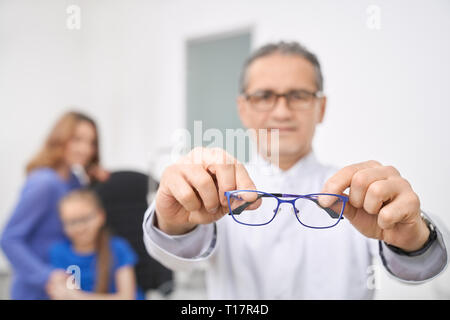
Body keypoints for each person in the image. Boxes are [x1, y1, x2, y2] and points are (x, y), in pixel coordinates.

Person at [142, 41, 449, 299]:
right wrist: (170, 222)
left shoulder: (362, 193)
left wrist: (416, 240)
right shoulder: (215, 187)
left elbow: (425, 269)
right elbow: (176, 258)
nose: (281, 111)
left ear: (322, 107)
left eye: (298, 96)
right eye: (264, 96)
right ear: (243, 108)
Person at [0, 111, 109, 299]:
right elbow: (10, 238)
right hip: (36, 290)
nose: (85, 149)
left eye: (91, 142)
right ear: (60, 139)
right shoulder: (44, 183)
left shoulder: (74, 181)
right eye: (77, 140)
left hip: (64, 289)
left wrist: (93, 180)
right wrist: (46, 275)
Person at [47, 189, 144, 300]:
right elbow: (61, 293)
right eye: (71, 222)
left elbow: (127, 297)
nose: (79, 228)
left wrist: (79, 297)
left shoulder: (118, 248)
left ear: (100, 216)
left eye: (85, 219)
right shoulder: (58, 252)